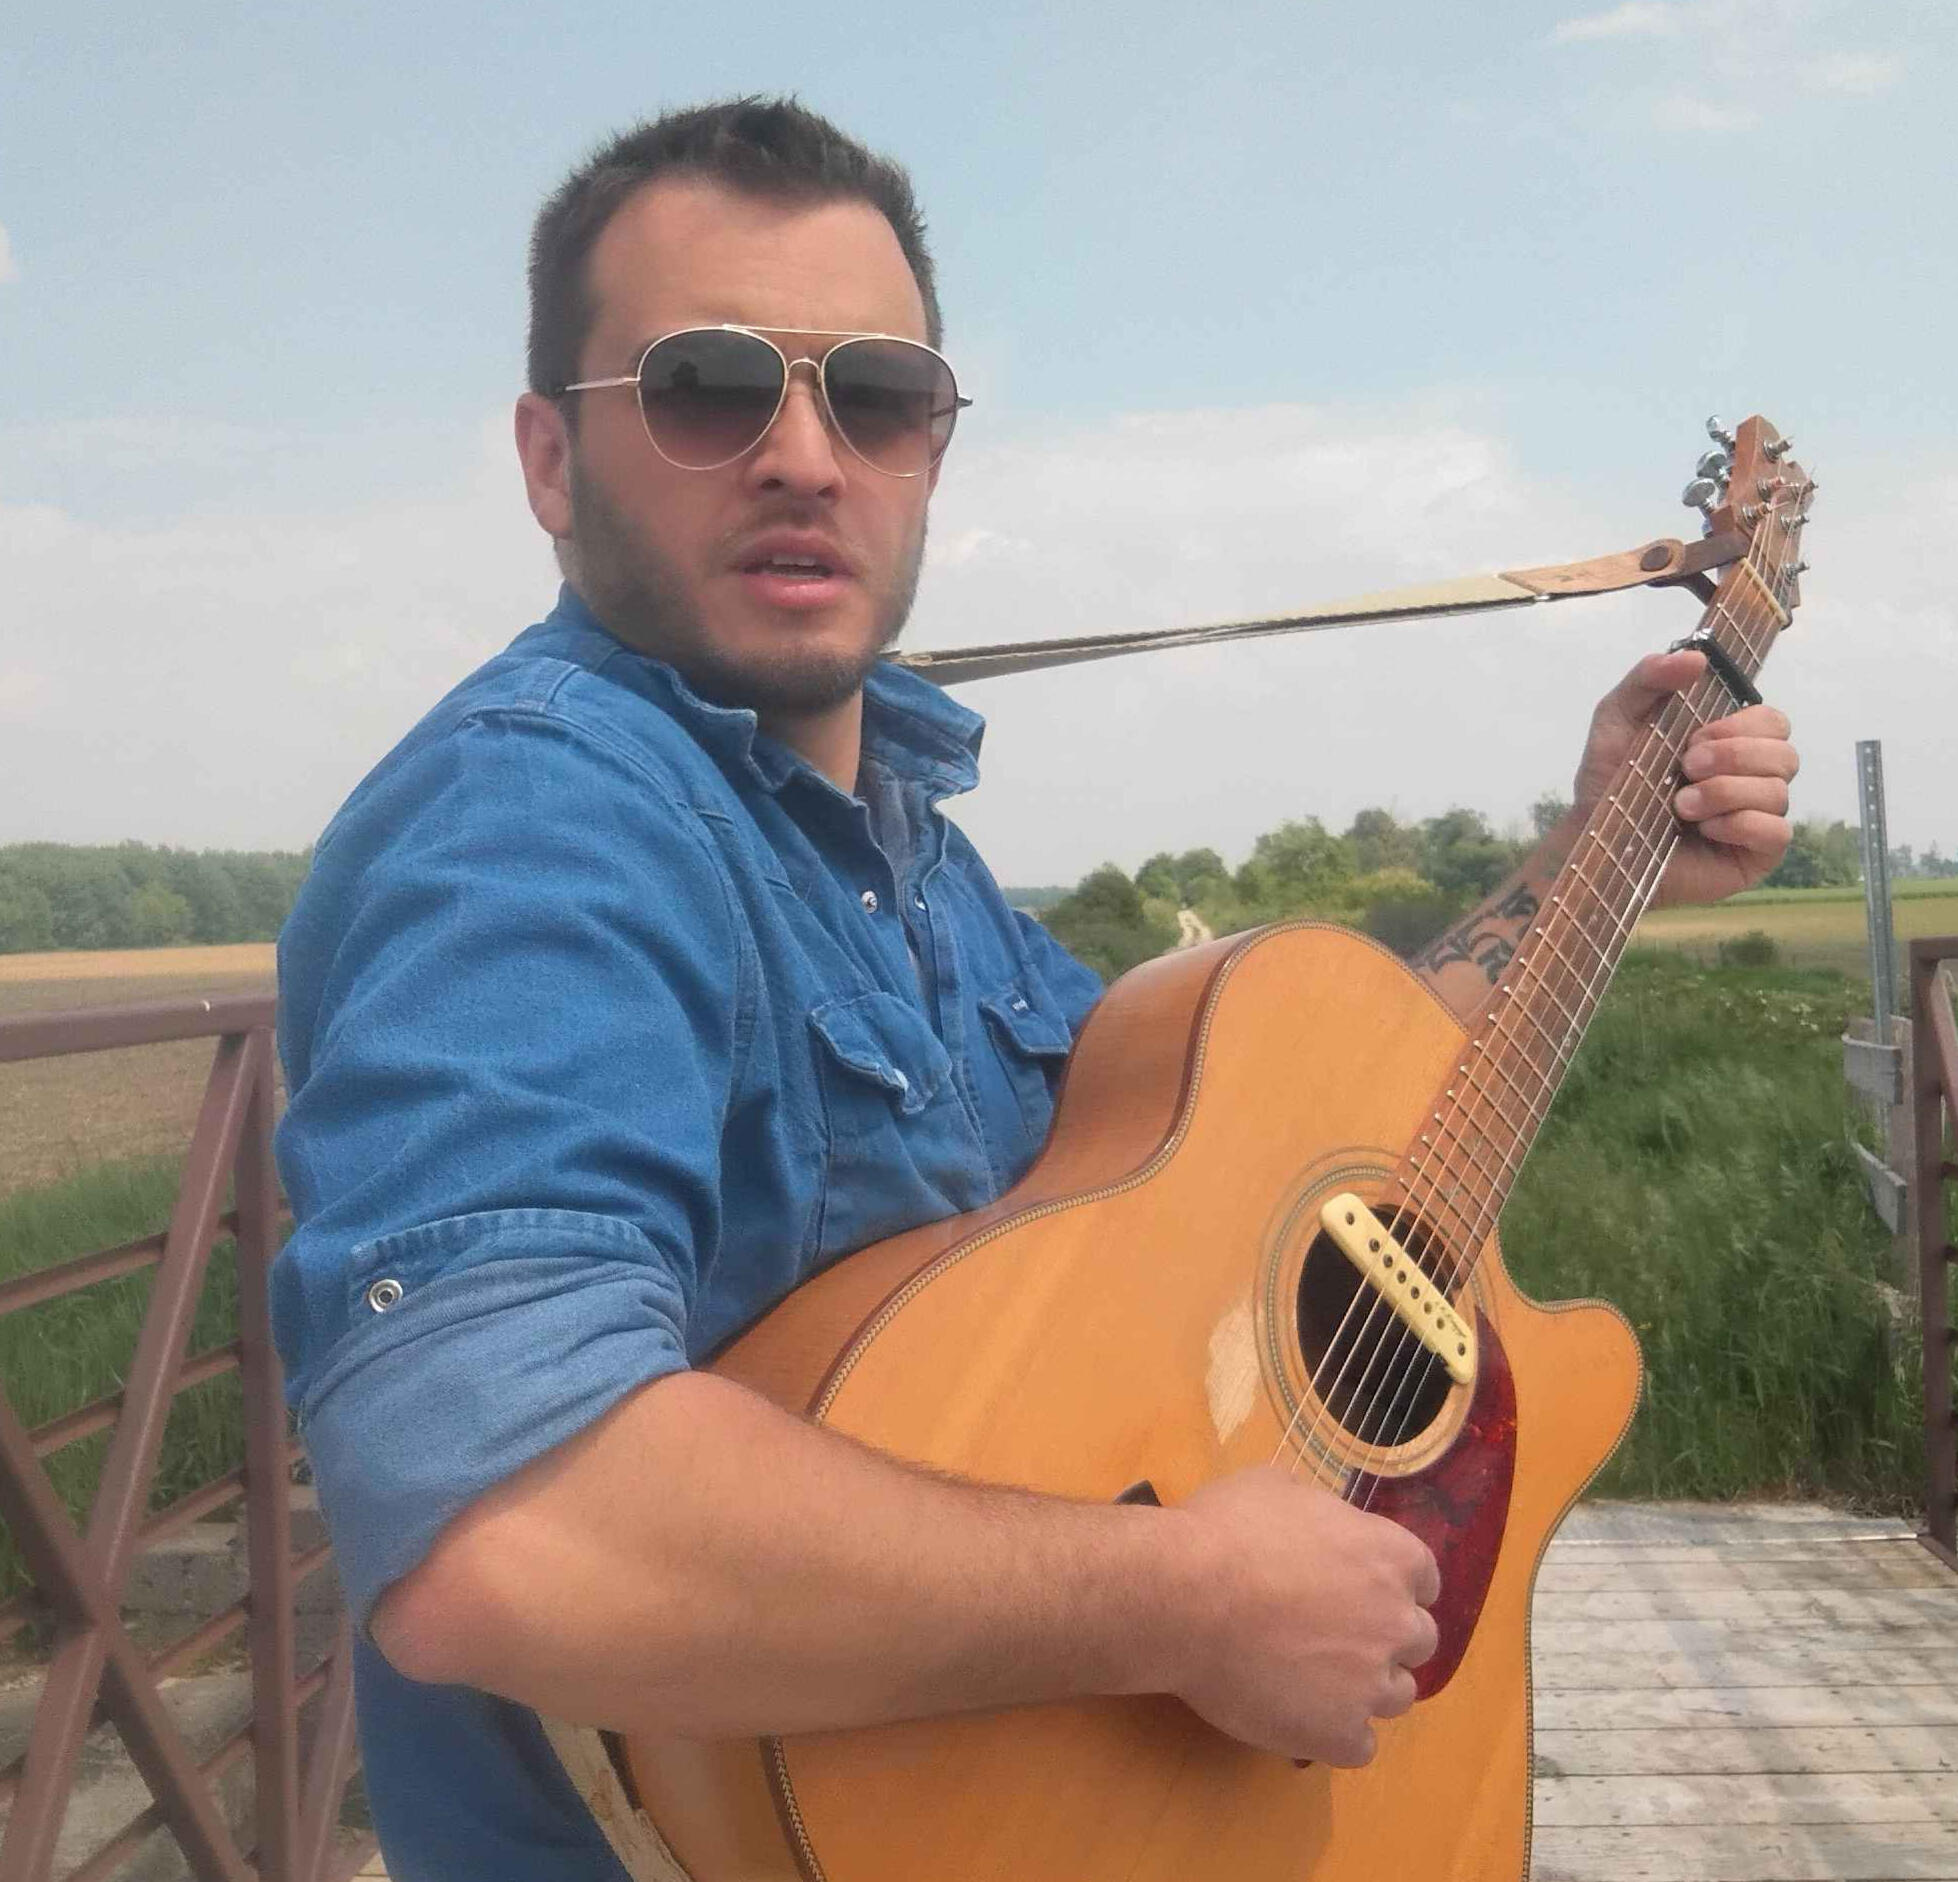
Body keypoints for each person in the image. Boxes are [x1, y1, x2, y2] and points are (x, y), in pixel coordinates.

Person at [272, 97, 1801, 1882]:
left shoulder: (899, 848)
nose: (802, 452)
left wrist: (1589, 858)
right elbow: (510, 1527)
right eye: (704, 387)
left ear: (931, 450)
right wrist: (1180, 1601)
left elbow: (1246, 1140)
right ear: (550, 461)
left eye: (877, 395)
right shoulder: (537, 823)